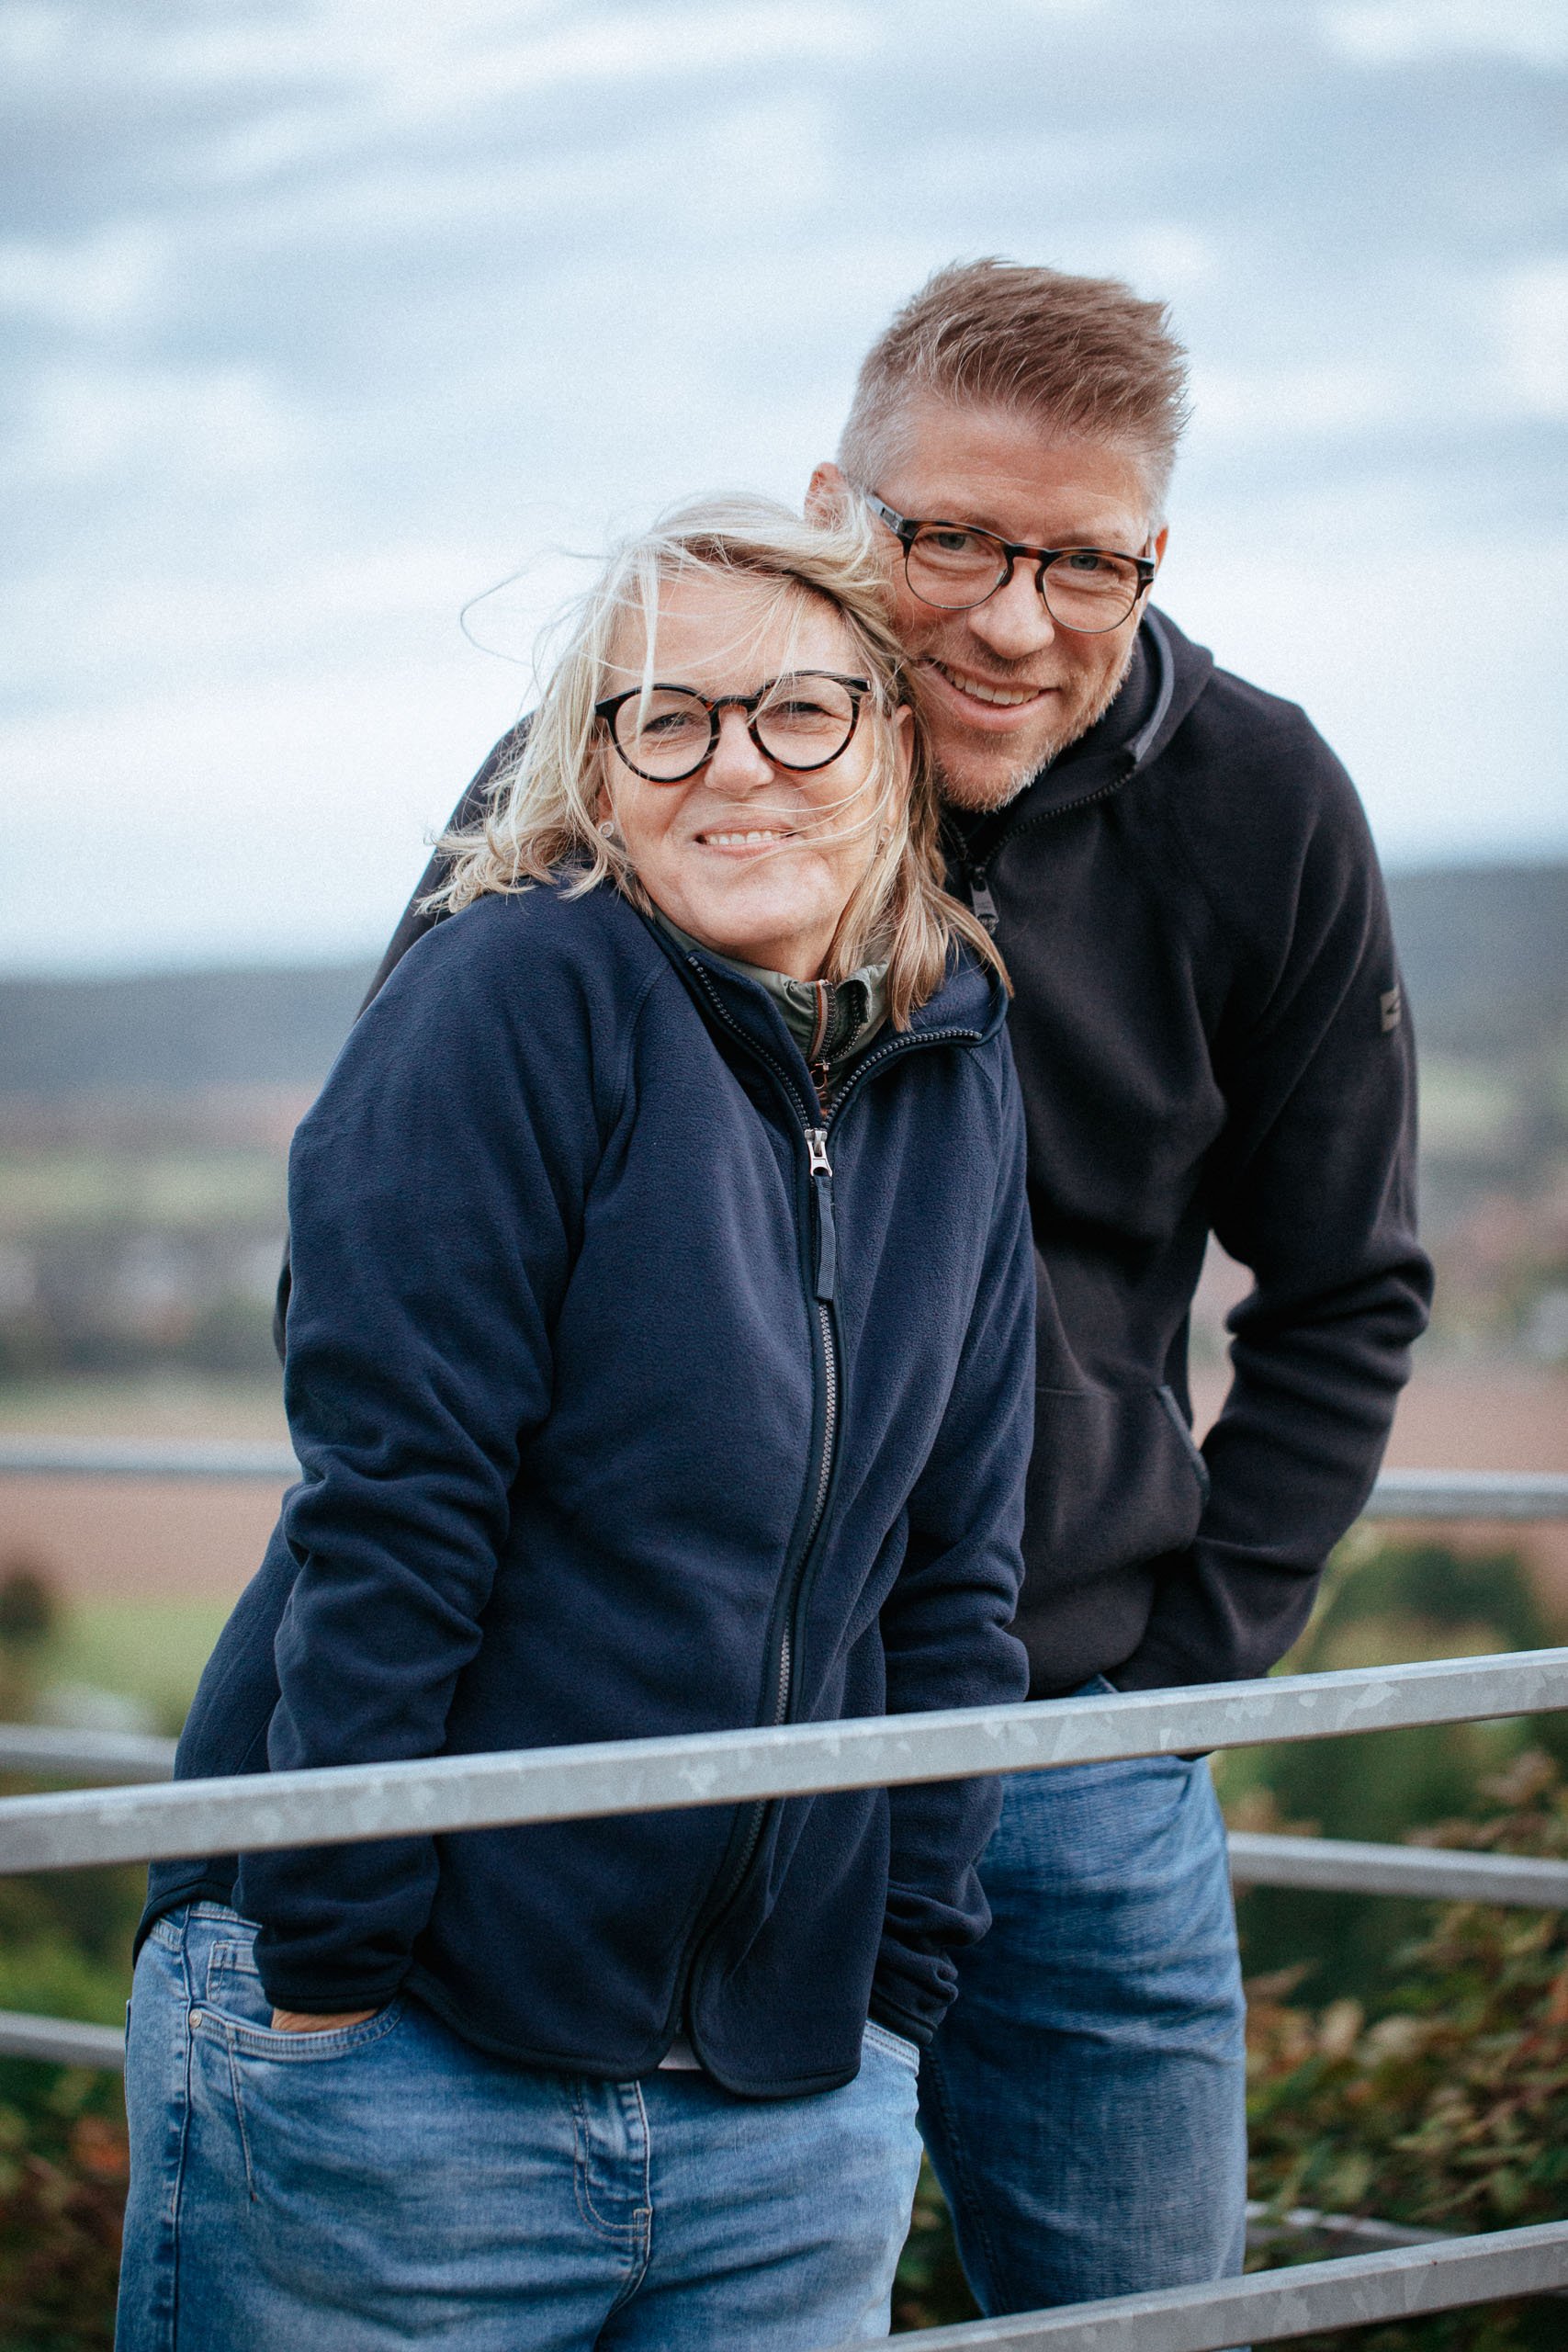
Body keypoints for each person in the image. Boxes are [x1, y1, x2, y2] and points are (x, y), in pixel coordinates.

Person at [358, 262, 1435, 2322]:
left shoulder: (1260, 803)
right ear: (838, 498)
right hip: (682, 1770)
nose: (1014, 619)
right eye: (950, 537)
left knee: (1131, 2318)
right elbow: (420, 1222)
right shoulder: (645, 748)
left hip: (1061, 1760)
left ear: (1152, 552)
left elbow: (1347, 1285)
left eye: (1082, 560)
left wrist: (1171, 1685)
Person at [116, 499, 1037, 2351]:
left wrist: (892, 1991)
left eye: (796, 711)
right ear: (591, 770)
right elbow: (400, 1503)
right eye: (662, 717)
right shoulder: (514, 991)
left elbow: (954, 1571)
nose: (734, 766)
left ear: (884, 737)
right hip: (414, 2058)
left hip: (788, 2102)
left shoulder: (954, 1058)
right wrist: (331, 1967)